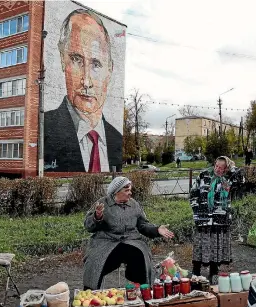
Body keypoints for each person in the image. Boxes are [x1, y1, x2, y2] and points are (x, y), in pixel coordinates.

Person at [44, 9, 122, 173]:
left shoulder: (116, 139)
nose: (86, 81)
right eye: (76, 60)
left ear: (110, 70)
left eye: (96, 64)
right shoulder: (44, 130)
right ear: (62, 60)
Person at [83, 177, 174, 290]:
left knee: (140, 256)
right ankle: (90, 292)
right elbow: (88, 226)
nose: (130, 193)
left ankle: (141, 291)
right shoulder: (102, 203)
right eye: (126, 190)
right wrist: (97, 217)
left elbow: (143, 225)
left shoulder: (134, 204)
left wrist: (156, 230)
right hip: (106, 242)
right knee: (96, 261)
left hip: (131, 241)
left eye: (130, 190)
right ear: (117, 191)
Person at [189, 156, 244, 282]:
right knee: (200, 244)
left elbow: (242, 180)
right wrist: (196, 210)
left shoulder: (228, 178)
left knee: (216, 245)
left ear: (226, 169)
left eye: (221, 168)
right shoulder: (204, 175)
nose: (218, 169)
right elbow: (193, 193)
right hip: (203, 217)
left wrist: (232, 169)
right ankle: (196, 271)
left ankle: (214, 271)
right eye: (217, 166)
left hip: (221, 218)